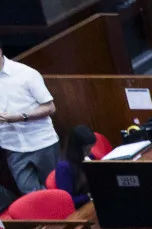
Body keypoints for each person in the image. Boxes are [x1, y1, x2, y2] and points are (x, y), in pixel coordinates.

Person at [0, 42, 58, 198]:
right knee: (30, 194)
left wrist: (20, 117)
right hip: (12, 147)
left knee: (56, 188)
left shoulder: (26, 74)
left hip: (42, 142)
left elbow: (50, 107)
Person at [51, 124, 93, 207]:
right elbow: (68, 200)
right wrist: (88, 197)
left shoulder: (87, 156)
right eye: (87, 149)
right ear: (76, 149)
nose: (90, 153)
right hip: (79, 208)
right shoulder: (64, 167)